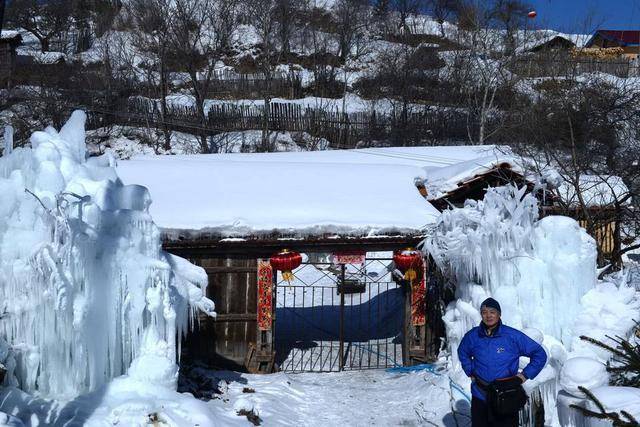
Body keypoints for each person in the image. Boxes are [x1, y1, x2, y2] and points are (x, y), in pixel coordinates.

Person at [457, 297, 547, 427]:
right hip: (480, 396)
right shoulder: (473, 336)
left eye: (492, 312)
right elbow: (463, 352)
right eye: (484, 312)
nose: (488, 315)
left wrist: (523, 376)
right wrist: (469, 370)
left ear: (499, 314)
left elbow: (539, 354)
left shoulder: (512, 336)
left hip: (507, 397)